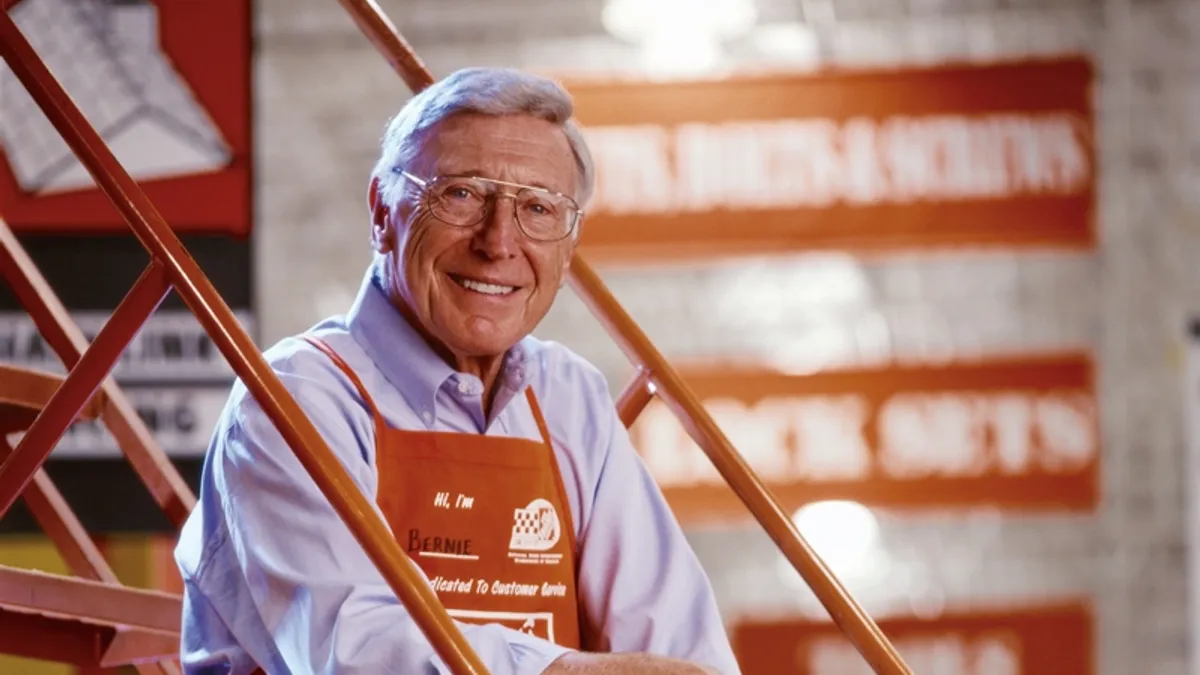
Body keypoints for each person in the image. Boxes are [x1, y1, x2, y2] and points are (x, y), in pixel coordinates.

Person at [175, 67, 740, 675]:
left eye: (538, 208)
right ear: (381, 212)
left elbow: (679, 641)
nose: (499, 242)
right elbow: (355, 654)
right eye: (462, 194)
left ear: (569, 245)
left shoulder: (568, 397)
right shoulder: (296, 398)